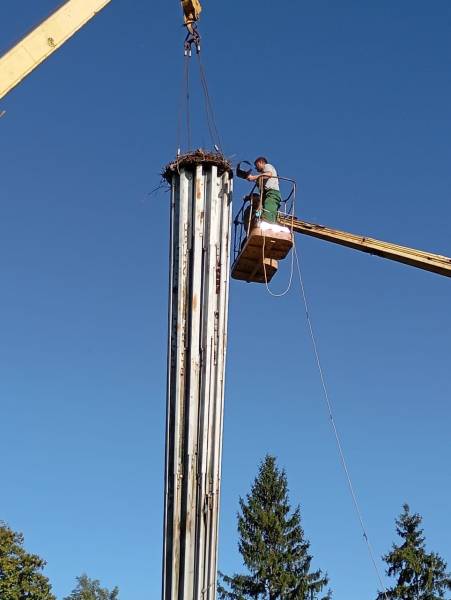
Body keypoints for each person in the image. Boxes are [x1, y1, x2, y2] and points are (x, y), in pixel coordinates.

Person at [246, 157, 281, 224]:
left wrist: (253, 177)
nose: (256, 168)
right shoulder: (261, 177)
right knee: (261, 212)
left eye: (257, 166)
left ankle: (268, 226)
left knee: (268, 212)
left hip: (272, 193)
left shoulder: (267, 166)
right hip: (267, 195)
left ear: (261, 162)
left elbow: (269, 174)